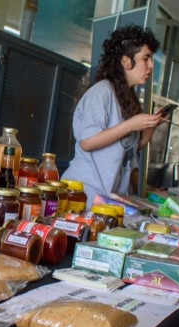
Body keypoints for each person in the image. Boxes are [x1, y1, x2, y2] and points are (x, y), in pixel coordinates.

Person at [61, 24, 166, 206]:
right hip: (84, 194)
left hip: (109, 198)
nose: (150, 66)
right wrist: (131, 125)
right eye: (146, 58)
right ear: (126, 61)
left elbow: (129, 148)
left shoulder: (129, 98)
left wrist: (151, 126)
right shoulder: (102, 91)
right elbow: (87, 142)